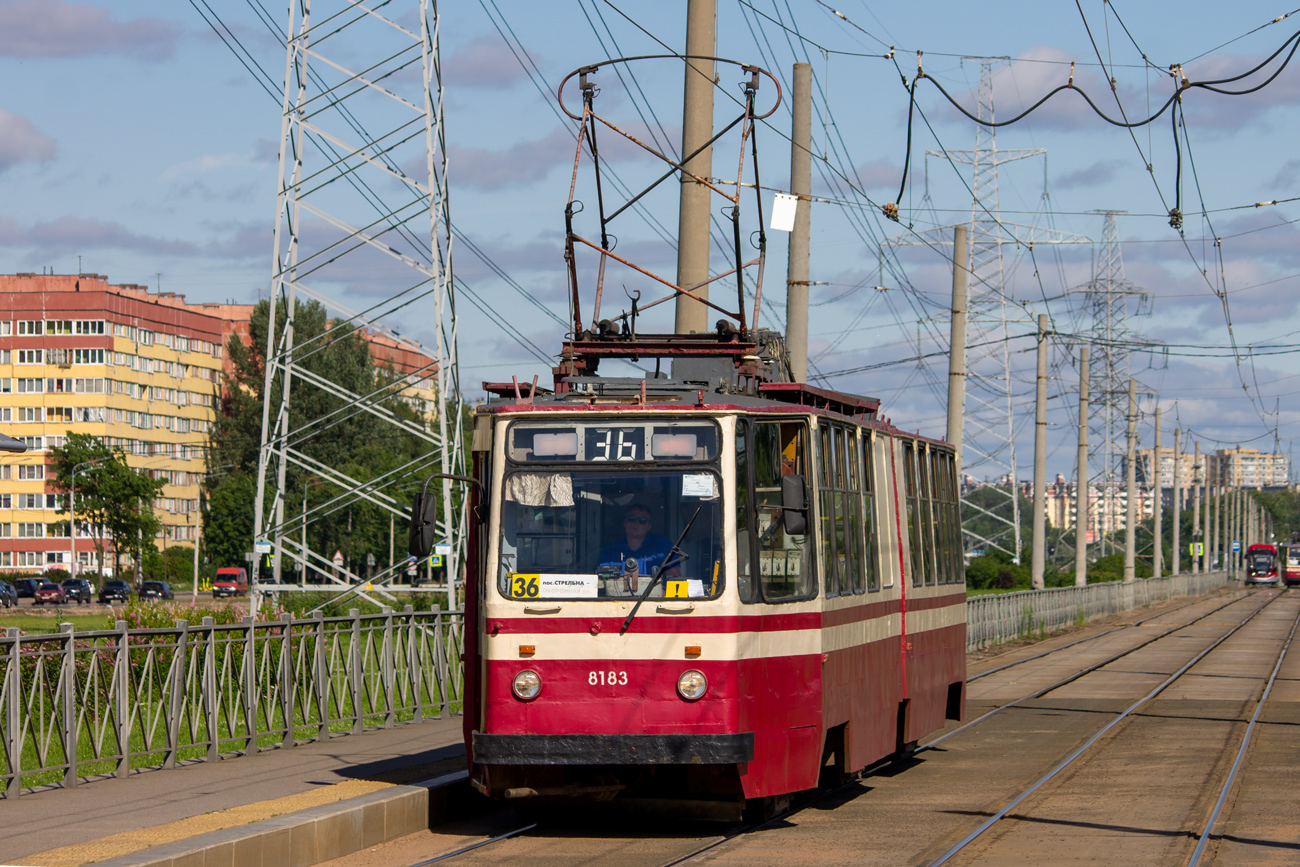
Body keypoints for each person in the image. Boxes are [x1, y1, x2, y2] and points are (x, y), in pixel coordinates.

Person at [597, 504, 681, 593]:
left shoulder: (663, 546)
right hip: (615, 603)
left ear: (649, 525)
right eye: (632, 519)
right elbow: (600, 584)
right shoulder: (610, 550)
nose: (636, 523)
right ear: (624, 522)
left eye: (642, 521)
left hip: (655, 604)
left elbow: (675, 580)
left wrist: (667, 601)